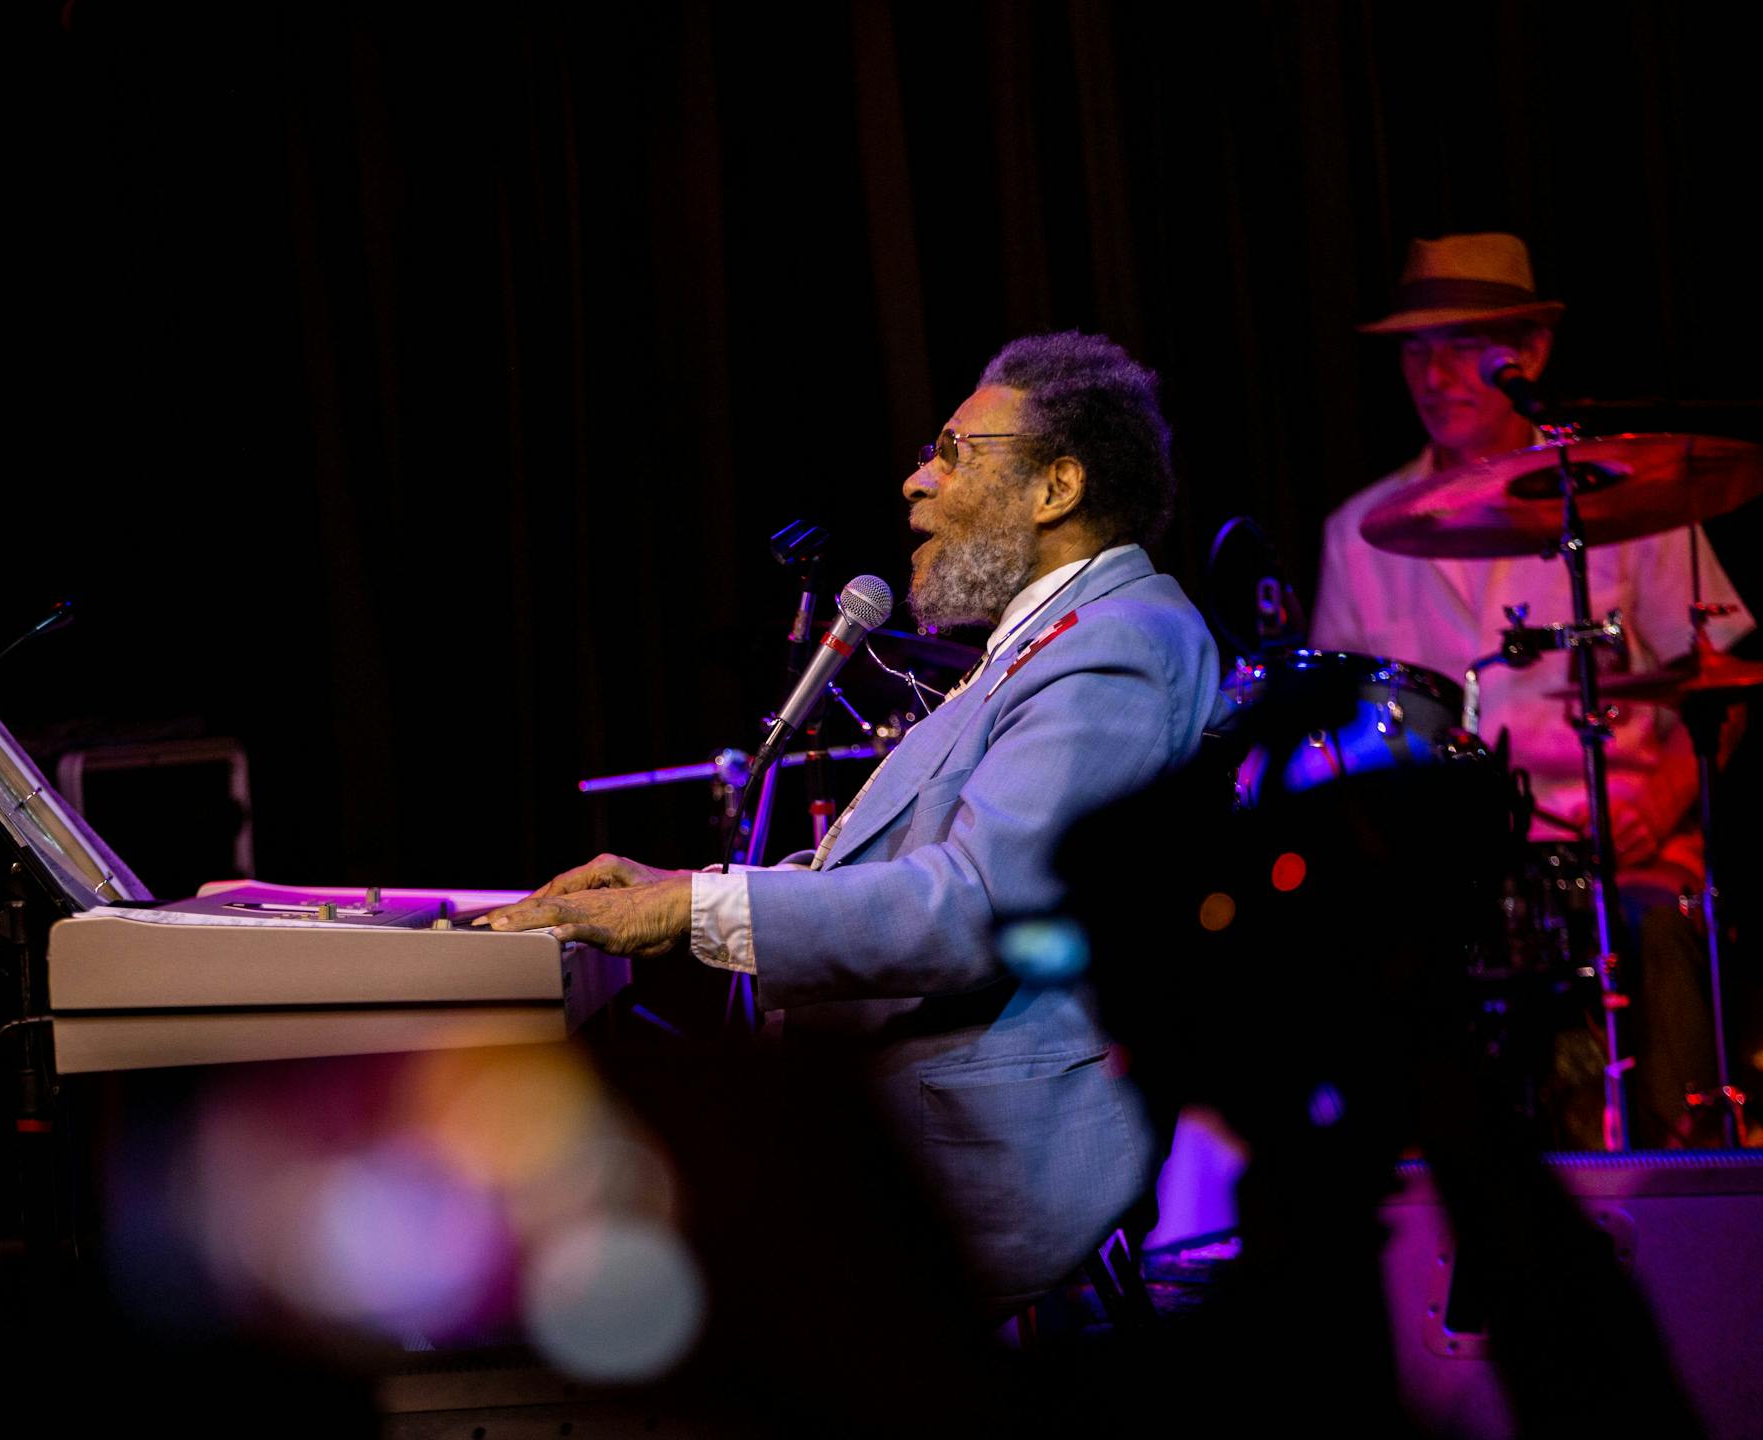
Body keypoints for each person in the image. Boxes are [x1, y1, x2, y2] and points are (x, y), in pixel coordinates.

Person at [483, 331, 1221, 1310]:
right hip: (912, 1134)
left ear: (1057, 488)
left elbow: (981, 905)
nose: (916, 481)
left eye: (953, 452)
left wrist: (696, 911)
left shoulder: (1116, 644)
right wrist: (674, 893)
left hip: (989, 1172)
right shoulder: (1046, 644)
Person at [1311, 232, 1751, 1145]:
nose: (1434, 375)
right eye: (1415, 349)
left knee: (1660, 926)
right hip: (1454, 876)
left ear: (1533, 352)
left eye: (1463, 345)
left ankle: (1685, 1187)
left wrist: (1662, 801)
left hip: (1627, 855)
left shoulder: (1633, 502)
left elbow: (1728, 675)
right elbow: (1338, 738)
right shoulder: (1359, 533)